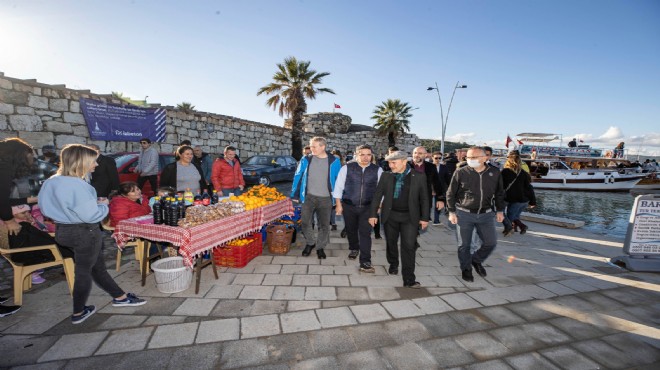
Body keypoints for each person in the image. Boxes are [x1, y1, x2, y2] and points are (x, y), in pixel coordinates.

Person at [39, 144, 146, 325]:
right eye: (93, 161)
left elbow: (45, 209)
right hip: (84, 231)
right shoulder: (80, 185)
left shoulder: (51, 181)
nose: (96, 165)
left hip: (62, 231)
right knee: (84, 272)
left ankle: (120, 297)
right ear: (81, 162)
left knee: (96, 267)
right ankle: (78, 311)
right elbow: (92, 215)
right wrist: (103, 204)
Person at [368, 151, 429, 288]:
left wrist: (425, 218)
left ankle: (409, 279)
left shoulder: (418, 176)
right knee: (391, 243)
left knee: (409, 246)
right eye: (389, 162)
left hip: (410, 217)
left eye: (393, 162)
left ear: (403, 161)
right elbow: (377, 195)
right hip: (391, 216)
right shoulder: (386, 176)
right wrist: (373, 214)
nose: (390, 165)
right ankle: (393, 263)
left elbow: (425, 198)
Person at [446, 146, 505, 283]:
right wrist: (451, 212)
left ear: (485, 158)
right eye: (468, 157)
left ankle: (476, 260)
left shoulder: (495, 172)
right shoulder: (461, 172)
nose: (470, 160)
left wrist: (500, 210)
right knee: (464, 245)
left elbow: (499, 193)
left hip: (486, 214)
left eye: (474, 157)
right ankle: (466, 268)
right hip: (464, 214)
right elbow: (450, 193)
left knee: (490, 243)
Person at [0, 138, 39, 318]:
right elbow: (1, 200)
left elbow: (5, 200)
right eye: (28, 157)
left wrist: (27, 201)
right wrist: (9, 220)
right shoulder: (4, 169)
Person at [333, 145, 383, 272]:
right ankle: (354, 248)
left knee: (365, 233)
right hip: (349, 205)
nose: (366, 157)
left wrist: (379, 205)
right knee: (351, 229)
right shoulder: (347, 168)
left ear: (372, 156)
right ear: (356, 155)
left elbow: (381, 190)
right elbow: (338, 187)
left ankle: (365, 261)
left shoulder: (377, 170)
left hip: (368, 207)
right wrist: (338, 204)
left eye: (368, 154)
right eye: (362, 154)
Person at [291, 137, 341, 259]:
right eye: (310, 146)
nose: (311, 149)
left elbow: (339, 181)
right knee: (305, 222)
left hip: (326, 199)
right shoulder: (306, 159)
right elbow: (298, 175)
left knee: (324, 225)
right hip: (308, 197)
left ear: (322, 147)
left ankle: (320, 247)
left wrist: (339, 200)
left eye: (314, 146)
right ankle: (310, 243)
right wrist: (295, 194)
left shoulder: (334, 161)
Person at [8, 204, 75, 284]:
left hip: (41, 247)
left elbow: (41, 233)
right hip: (38, 251)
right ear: (13, 214)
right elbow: (34, 240)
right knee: (70, 248)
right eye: (23, 213)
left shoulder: (26, 223)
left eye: (27, 212)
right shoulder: (17, 227)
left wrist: (33, 222)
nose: (27, 214)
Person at [501, 152, 536, 236]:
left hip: (507, 197)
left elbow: (500, 186)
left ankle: (509, 229)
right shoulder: (524, 173)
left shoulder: (505, 172)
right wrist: (533, 201)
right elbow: (529, 188)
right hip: (520, 199)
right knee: (513, 215)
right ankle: (516, 227)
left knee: (500, 212)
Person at [410, 147, 445, 221]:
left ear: (425, 155)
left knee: (420, 225)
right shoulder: (405, 166)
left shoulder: (431, 167)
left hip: (425, 201)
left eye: (420, 153)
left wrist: (440, 199)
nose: (416, 155)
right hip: (407, 202)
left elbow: (437, 183)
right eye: (415, 153)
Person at [432, 152, 451, 225]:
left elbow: (447, 179)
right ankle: (427, 218)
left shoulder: (444, 167)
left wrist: (450, 187)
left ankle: (436, 221)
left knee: (439, 204)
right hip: (429, 189)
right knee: (427, 205)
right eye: (436, 158)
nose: (438, 159)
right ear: (432, 158)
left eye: (439, 158)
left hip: (440, 189)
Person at [329, 149, 345, 231]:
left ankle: (331, 222)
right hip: (337, 187)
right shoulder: (342, 162)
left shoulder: (333, 161)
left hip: (332, 186)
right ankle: (333, 223)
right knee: (333, 206)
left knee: (330, 206)